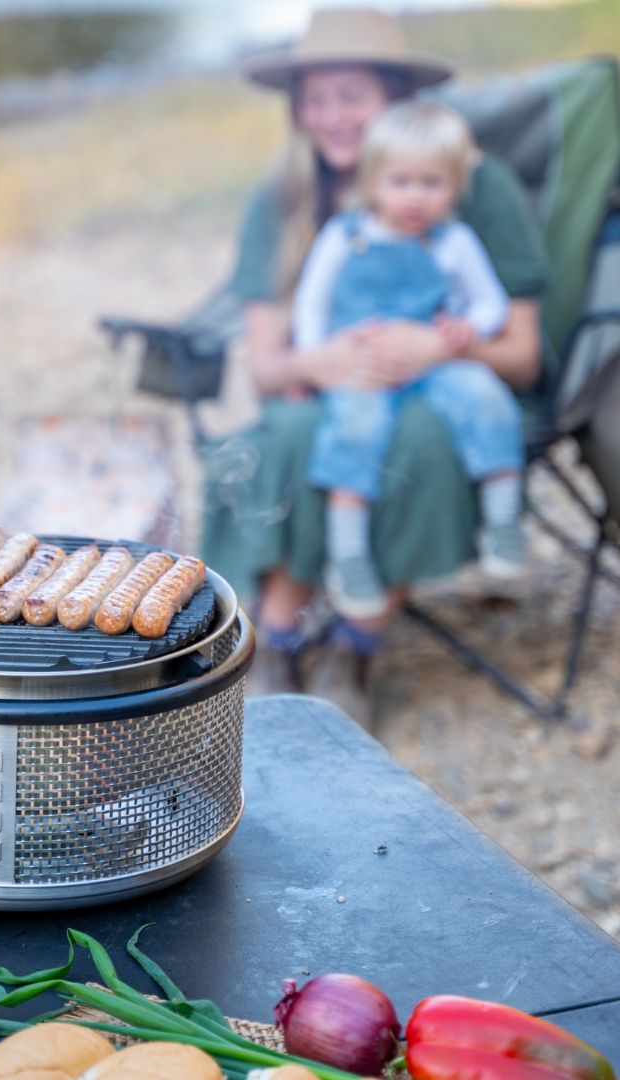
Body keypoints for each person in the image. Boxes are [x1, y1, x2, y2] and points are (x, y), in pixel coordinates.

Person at [199, 8, 548, 725]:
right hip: (334, 385)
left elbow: (522, 355)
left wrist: (446, 345)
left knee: (413, 438)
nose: (332, 117)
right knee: (288, 433)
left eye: (351, 95)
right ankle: (277, 630)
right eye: (316, 99)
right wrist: (318, 360)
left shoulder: (475, 189)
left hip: (450, 383)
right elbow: (266, 370)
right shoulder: (287, 198)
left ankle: (357, 641)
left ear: (397, 100)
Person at [293, 101, 526, 619]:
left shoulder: (454, 242)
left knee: (486, 397)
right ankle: (348, 553)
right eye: (401, 182)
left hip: (433, 360)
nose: (416, 196)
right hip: (365, 365)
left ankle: (503, 523)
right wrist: (314, 359)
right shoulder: (344, 236)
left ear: (456, 186)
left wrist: (470, 328)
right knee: (355, 429)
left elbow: (491, 302)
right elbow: (312, 301)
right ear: (372, 182)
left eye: (433, 182)